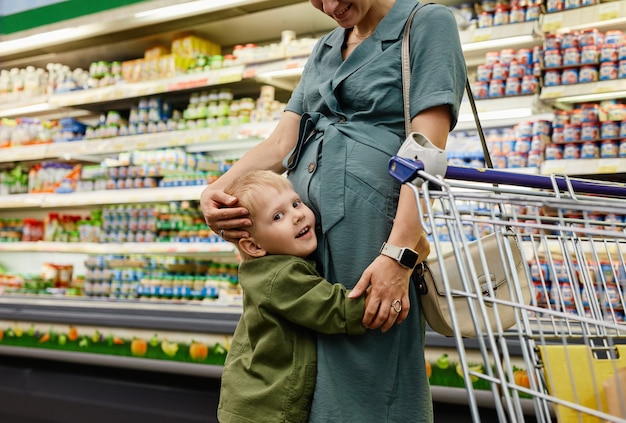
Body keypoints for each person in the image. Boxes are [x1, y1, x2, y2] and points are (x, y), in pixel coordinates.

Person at [201, 0, 467, 421]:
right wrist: (215, 190)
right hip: (304, 242)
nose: (329, 6)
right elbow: (280, 145)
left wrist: (398, 254)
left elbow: (427, 149)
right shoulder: (326, 46)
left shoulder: (426, 23)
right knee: (307, 369)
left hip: (372, 240)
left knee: (369, 372)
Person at [217, 170, 368, 423]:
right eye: (278, 216)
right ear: (253, 247)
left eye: (296, 203)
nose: (297, 215)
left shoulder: (268, 267)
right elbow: (338, 311)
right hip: (266, 411)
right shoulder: (281, 277)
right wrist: (392, 286)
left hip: (250, 401)